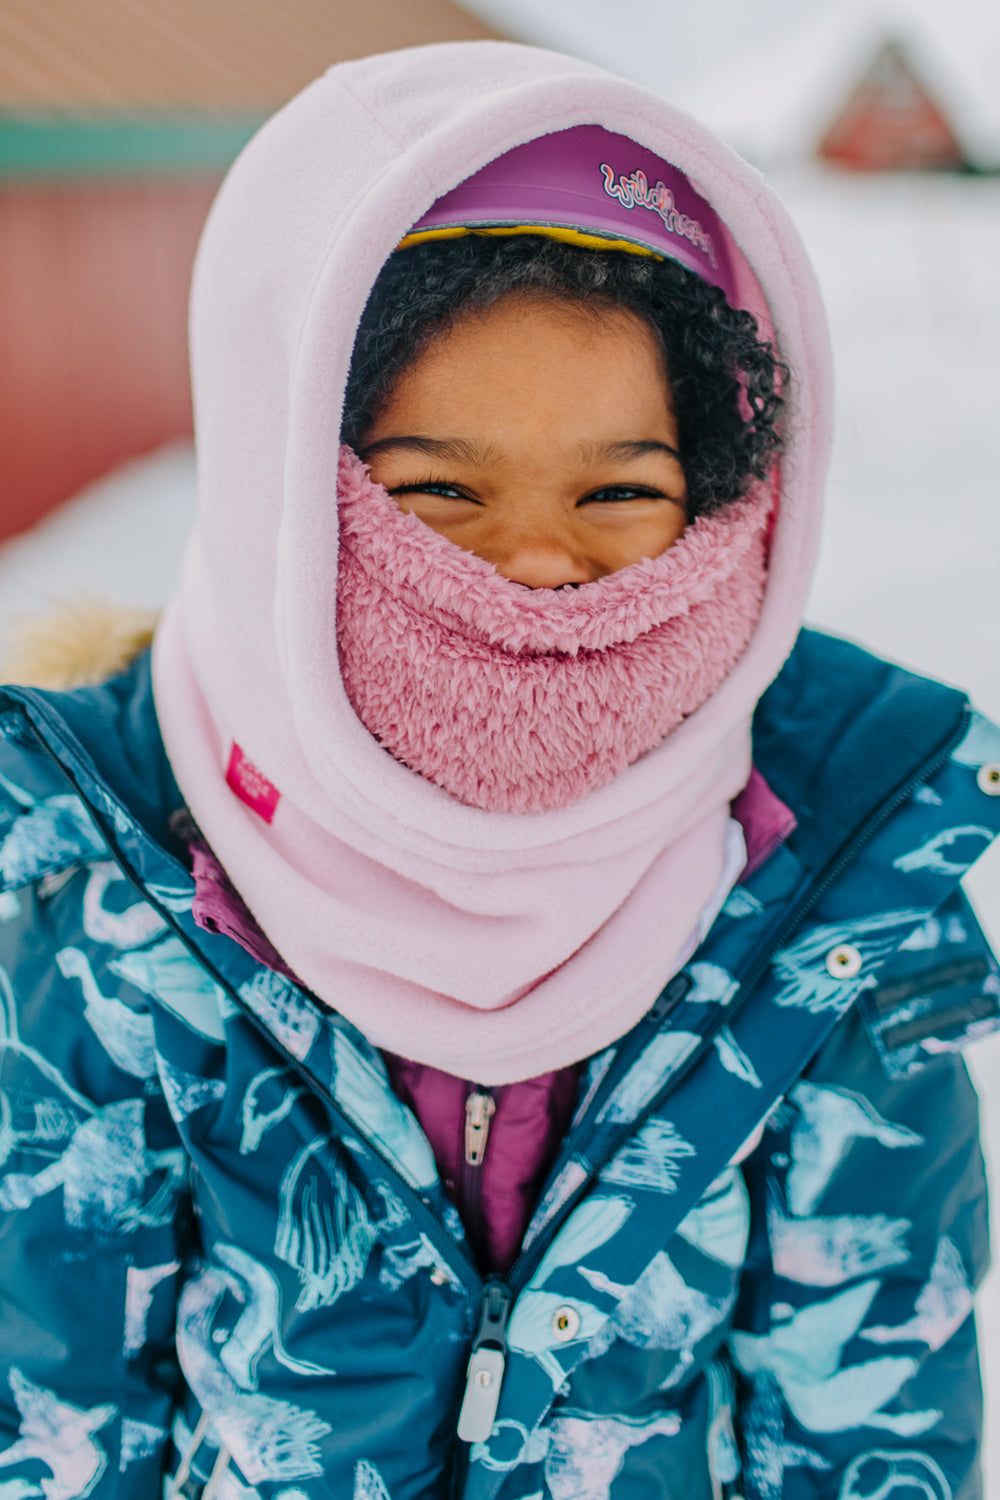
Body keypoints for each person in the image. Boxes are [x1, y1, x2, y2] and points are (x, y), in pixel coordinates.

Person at [1, 38, 999, 1500]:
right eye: (439, 492)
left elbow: (870, 1425)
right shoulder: (122, 889)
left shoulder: (834, 885)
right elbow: (56, 1414)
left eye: (620, 492)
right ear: (292, 487)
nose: (538, 568)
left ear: (734, 502)